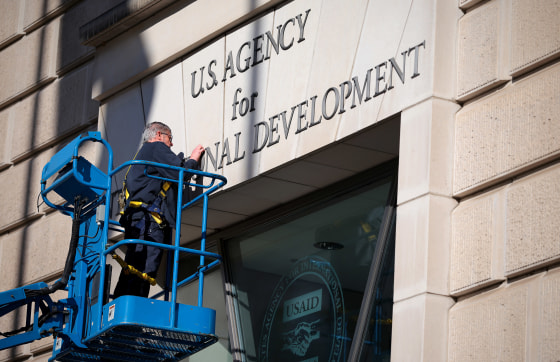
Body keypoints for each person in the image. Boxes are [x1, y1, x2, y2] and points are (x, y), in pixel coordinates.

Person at [113, 122, 205, 298]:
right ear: (159, 135)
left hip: (137, 222)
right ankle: (134, 315)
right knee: (144, 272)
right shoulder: (155, 148)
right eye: (170, 138)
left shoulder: (141, 157)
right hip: (149, 224)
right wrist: (193, 159)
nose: (171, 144)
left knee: (131, 269)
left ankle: (120, 311)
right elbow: (180, 173)